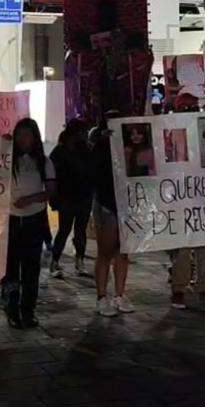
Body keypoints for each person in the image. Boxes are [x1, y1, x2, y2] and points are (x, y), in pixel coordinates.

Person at [2, 118, 55, 328]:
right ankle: (11, 309)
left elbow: (51, 191)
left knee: (32, 268)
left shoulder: (44, 162)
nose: (23, 139)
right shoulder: (7, 159)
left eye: (27, 135)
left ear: (35, 137)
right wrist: (0, 146)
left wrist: (30, 199)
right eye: (19, 135)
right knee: (11, 267)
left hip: (34, 220)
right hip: (10, 220)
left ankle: (28, 310)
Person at [91, 116, 133, 317]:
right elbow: (96, 176)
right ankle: (101, 297)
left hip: (126, 205)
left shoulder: (131, 147)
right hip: (107, 204)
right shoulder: (100, 149)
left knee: (123, 253)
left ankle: (119, 294)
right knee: (106, 252)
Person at [49, 118, 94, 279]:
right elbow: (52, 175)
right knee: (64, 230)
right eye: (82, 132)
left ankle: (79, 261)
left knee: (80, 231)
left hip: (83, 196)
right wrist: (54, 197)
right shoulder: (60, 151)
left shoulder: (87, 150)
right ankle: (55, 261)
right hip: (67, 197)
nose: (84, 135)